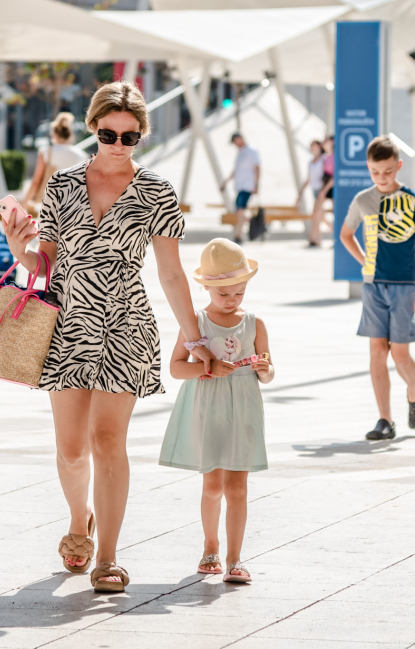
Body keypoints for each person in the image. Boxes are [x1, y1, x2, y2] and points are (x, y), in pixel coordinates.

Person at [2, 82, 215, 593]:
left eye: (130, 136)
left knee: (106, 441)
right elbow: (47, 263)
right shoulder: (64, 184)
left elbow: (169, 273)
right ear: (92, 127)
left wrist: (195, 337)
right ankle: (81, 520)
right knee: (71, 448)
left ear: (142, 134)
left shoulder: (156, 191)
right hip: (70, 325)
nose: (119, 143)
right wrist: (17, 249)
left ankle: (110, 559)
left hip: (126, 325)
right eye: (109, 133)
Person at [159, 238, 274, 584]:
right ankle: (210, 547)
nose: (231, 300)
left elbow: (268, 369)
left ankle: (236, 558)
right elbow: (177, 368)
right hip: (208, 408)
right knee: (212, 485)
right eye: (223, 294)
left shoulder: (254, 323)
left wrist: (263, 369)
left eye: (238, 293)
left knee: (238, 486)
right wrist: (207, 368)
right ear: (206, 288)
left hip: (243, 409)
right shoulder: (195, 322)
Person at [339, 136, 415, 441]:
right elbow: (345, 234)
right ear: (369, 168)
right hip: (372, 287)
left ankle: (414, 388)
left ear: (398, 166)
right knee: (378, 351)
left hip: (404, 286)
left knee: (401, 355)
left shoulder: (414, 200)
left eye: (388, 171)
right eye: (376, 172)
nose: (382, 178)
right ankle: (385, 420)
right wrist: (364, 259)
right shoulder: (363, 200)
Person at [23, 112, 86, 212]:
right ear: (70, 134)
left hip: (49, 204)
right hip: (72, 205)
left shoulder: (46, 152)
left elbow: (36, 181)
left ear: (54, 134)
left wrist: (24, 204)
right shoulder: (80, 155)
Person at [221, 132, 260, 244]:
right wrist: (226, 182)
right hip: (239, 186)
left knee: (240, 210)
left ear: (239, 139)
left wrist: (256, 185)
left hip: (247, 186)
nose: (234, 144)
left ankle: (238, 236)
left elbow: (257, 168)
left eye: (234, 141)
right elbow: (236, 170)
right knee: (239, 210)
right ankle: (255, 223)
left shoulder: (252, 150)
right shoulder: (240, 152)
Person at [297, 139, 330, 247]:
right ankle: (323, 237)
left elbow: (327, 174)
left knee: (315, 214)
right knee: (320, 216)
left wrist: (324, 189)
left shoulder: (324, 159)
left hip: (322, 190)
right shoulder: (311, 162)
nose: (313, 149)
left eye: (315, 146)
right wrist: (301, 193)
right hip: (314, 189)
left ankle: (313, 239)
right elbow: (309, 178)